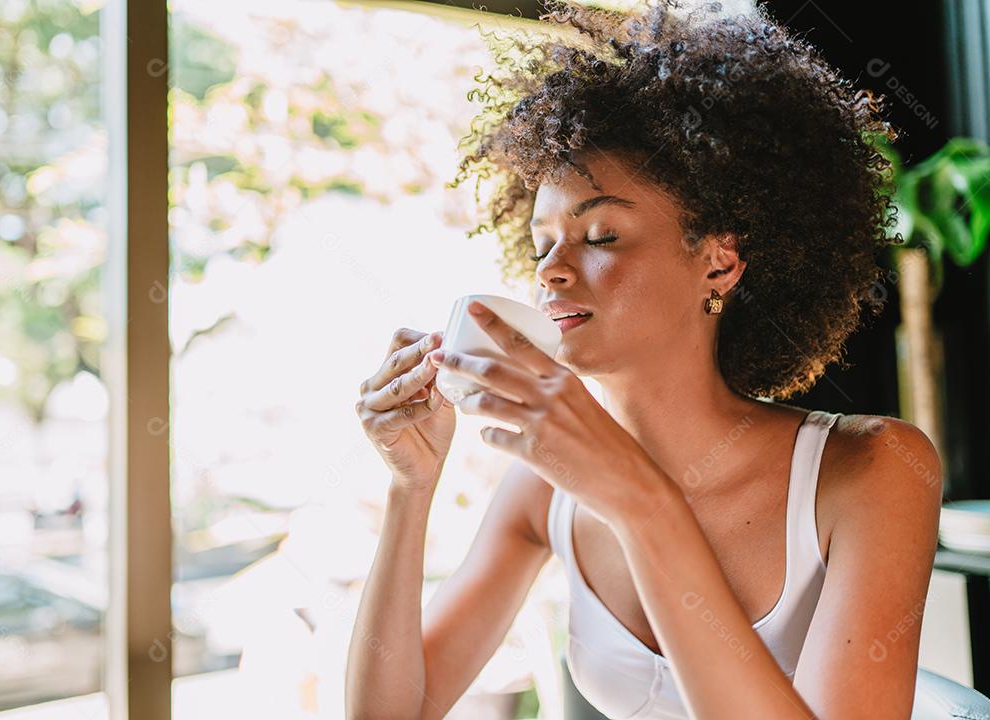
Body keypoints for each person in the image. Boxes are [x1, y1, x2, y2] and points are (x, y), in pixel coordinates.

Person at [347, 1, 943, 718]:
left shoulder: (872, 470)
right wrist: (408, 491)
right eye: (542, 245)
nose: (553, 271)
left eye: (599, 235)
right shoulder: (542, 490)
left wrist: (641, 501)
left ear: (719, 264)